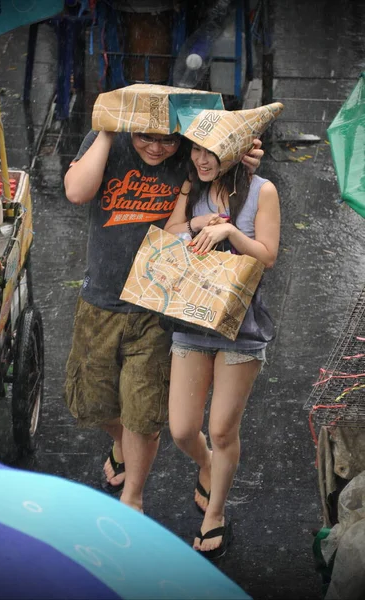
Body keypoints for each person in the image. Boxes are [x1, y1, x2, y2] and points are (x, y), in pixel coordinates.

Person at [64, 127, 264, 513]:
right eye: (144, 138)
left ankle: (133, 498)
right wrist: (107, 129)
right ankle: (122, 442)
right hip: (100, 299)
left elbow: (226, 161)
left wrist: (247, 155)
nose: (156, 148)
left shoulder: (189, 154)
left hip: (158, 303)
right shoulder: (107, 139)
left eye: (167, 141)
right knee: (91, 403)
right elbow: (75, 191)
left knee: (143, 412)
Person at [164, 140, 280, 558]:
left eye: (211, 152)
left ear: (233, 150)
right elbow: (169, 233)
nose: (201, 159)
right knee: (181, 429)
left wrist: (230, 231)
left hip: (241, 327)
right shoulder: (190, 187)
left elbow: (267, 255)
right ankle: (208, 465)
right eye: (196, 150)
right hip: (192, 318)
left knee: (221, 430)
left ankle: (215, 514)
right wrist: (196, 226)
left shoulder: (261, 191)